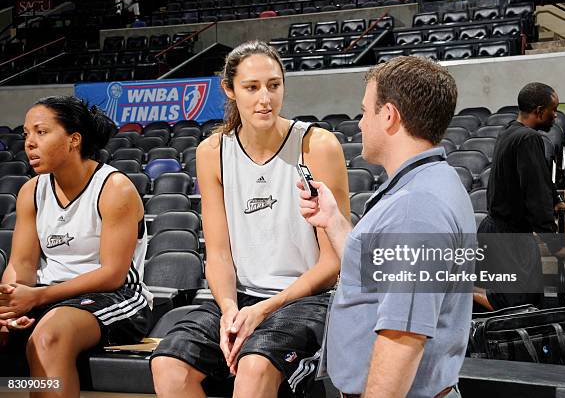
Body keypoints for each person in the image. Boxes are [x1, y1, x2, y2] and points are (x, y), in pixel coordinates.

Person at [150, 41, 349, 397]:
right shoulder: (212, 152)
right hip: (239, 299)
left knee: (254, 367)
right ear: (229, 89)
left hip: (306, 299)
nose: (265, 99)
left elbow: (333, 261)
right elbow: (219, 255)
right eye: (252, 87)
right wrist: (228, 310)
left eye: (274, 86)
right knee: (168, 363)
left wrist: (263, 310)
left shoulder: (317, 145)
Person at [299, 56, 475, 397]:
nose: (361, 122)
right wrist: (334, 222)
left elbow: (402, 338)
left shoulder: (416, 207)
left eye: (366, 112)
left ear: (390, 115)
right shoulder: (428, 183)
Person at [0, 96, 152, 397]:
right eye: (26, 133)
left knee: (49, 336)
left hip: (113, 296)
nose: (30, 142)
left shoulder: (114, 188)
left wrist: (37, 296)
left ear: (74, 139)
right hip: (48, 294)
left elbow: (112, 275)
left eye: (41, 132)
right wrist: (9, 305)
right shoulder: (31, 191)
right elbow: (22, 265)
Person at [474, 82, 565, 311]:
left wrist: (556, 200)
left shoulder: (510, 130)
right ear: (539, 111)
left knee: (527, 302)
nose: (555, 115)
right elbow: (535, 193)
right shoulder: (529, 139)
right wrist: (555, 245)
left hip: (500, 232)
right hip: (509, 237)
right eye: (553, 109)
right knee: (514, 305)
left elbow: (539, 178)